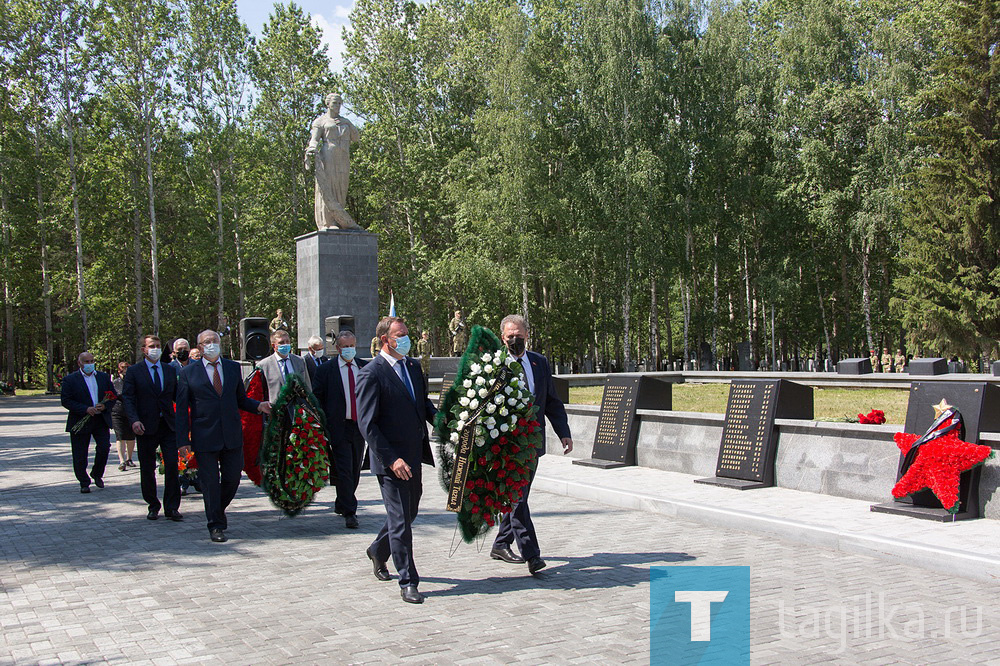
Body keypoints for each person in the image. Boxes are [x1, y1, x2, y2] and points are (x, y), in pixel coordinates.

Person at [356, 317, 436, 604]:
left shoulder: (413, 367)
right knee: (401, 520)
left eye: (406, 334)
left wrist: (444, 422)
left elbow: (423, 403)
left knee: (409, 512)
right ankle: (408, 580)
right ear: (384, 340)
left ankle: (378, 549)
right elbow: (367, 424)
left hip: (414, 456)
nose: (406, 339)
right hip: (392, 462)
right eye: (399, 335)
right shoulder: (371, 373)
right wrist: (391, 459)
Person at [490, 314, 573, 575]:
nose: (515, 340)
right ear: (502, 337)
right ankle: (532, 555)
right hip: (505, 445)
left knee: (519, 497)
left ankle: (501, 543)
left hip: (532, 442)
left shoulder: (539, 362)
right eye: (509, 336)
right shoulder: (493, 365)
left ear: (527, 334)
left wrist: (564, 432)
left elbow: (551, 401)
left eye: (519, 335)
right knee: (516, 498)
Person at [175, 330, 271, 542]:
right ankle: (215, 525)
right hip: (204, 437)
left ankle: (216, 509)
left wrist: (259, 406)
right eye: (206, 342)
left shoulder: (232, 368)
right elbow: (181, 410)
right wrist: (182, 441)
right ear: (199, 347)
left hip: (231, 435)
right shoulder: (188, 373)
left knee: (232, 479)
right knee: (210, 483)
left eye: (214, 341)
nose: (211, 345)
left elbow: (240, 399)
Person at [122, 335, 181, 521]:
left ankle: (172, 507)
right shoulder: (134, 372)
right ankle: (153, 504)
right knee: (147, 468)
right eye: (151, 346)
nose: (155, 349)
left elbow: (178, 396)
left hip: (168, 425)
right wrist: (134, 420)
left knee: (172, 465)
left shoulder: (169, 370)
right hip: (145, 426)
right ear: (143, 350)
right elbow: (128, 398)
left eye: (157, 346)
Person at [313, 330, 367, 529]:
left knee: (354, 469)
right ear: (337, 348)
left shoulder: (364, 367)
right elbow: (316, 397)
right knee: (344, 469)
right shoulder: (327, 370)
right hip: (338, 427)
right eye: (345, 346)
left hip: (359, 427)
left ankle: (342, 501)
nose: (349, 349)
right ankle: (350, 511)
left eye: (352, 345)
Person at [60, 351, 117, 493]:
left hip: (100, 419)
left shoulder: (103, 377)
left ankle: (97, 473)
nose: (90, 364)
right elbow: (66, 400)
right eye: (86, 362)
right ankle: (84, 481)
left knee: (104, 447)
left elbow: (113, 396)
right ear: (79, 363)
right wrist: (85, 409)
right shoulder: (71, 379)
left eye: (92, 361)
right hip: (81, 419)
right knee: (80, 453)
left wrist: (105, 406)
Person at [304, 92, 362, 230]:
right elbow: (314, 139)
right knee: (328, 188)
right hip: (328, 156)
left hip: (343, 157)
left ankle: (339, 220)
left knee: (341, 189)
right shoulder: (320, 121)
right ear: (328, 103)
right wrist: (311, 148)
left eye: (339, 103)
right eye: (335, 103)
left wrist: (348, 122)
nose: (337, 106)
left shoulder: (344, 121)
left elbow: (356, 138)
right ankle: (328, 223)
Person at [258, 329, 312, 401]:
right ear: (274, 346)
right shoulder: (264, 365)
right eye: (281, 342)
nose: (285, 344)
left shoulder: (300, 361)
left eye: (287, 342)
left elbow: (307, 386)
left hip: (298, 407)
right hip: (276, 408)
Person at [111, 361, 135, 471]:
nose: (125, 370)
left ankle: (129, 458)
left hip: (131, 411)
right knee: (120, 436)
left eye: (127, 368)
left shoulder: (132, 381)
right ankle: (121, 460)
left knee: (130, 436)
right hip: (117, 411)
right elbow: (117, 394)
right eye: (123, 368)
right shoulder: (115, 382)